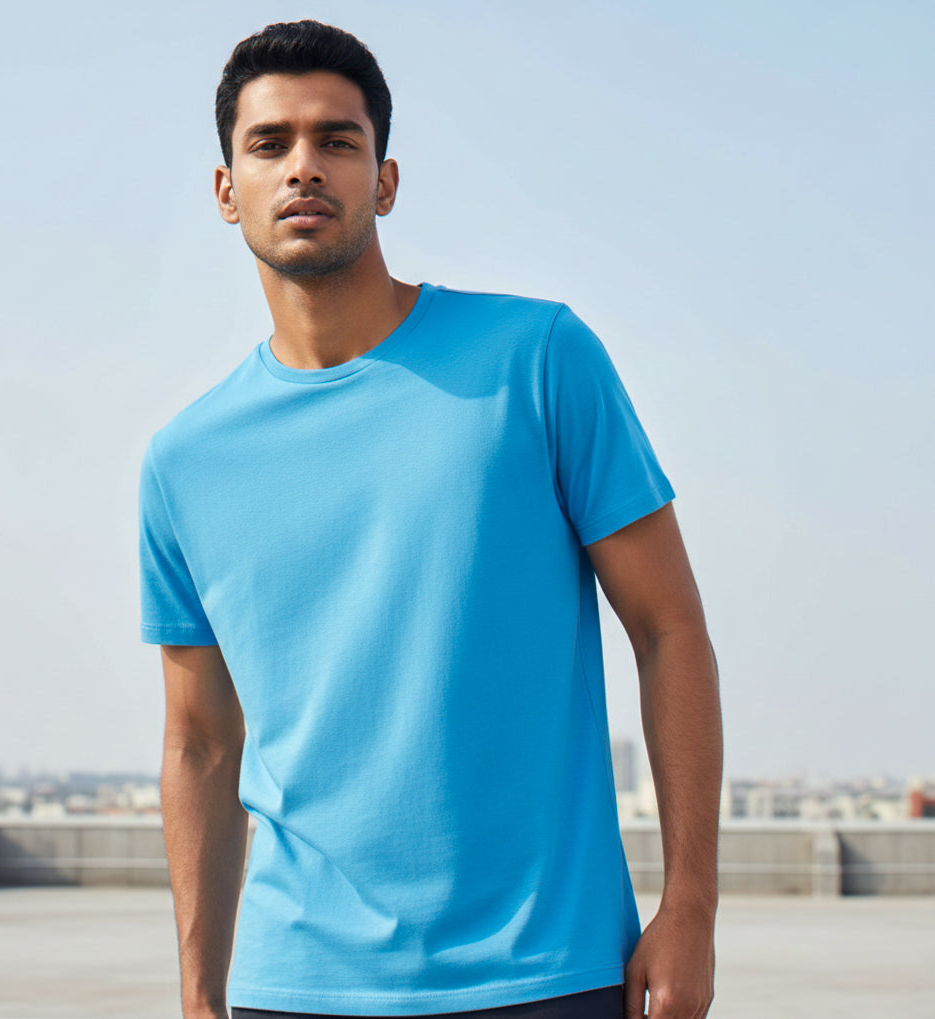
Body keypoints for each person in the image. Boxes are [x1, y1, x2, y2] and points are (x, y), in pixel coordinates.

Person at [139, 20, 722, 1019]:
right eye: (269, 143)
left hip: (548, 970)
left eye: (337, 139)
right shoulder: (185, 459)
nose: (303, 168)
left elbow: (668, 629)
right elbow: (198, 741)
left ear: (386, 179)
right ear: (225, 187)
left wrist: (691, 907)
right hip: (297, 984)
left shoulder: (538, 357)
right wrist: (199, 992)